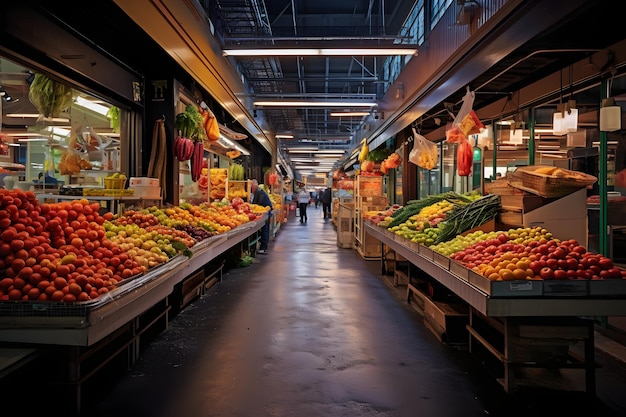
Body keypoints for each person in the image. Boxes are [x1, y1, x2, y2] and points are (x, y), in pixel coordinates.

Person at [250, 179, 273, 254]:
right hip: (264, 212)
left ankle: (263, 247)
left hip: (265, 212)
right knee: (264, 229)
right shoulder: (260, 192)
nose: (250, 189)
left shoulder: (259, 193)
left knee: (265, 229)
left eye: (251, 187)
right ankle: (262, 245)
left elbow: (255, 204)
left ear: (254, 186)